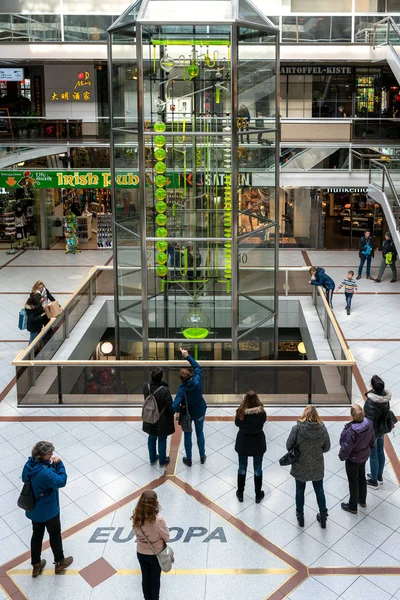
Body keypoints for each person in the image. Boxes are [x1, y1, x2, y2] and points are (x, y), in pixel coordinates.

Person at [21, 441, 73, 578]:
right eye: (50, 454)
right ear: (43, 455)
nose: (52, 455)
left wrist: (50, 466)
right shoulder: (45, 473)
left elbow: (25, 478)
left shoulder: (29, 465)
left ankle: (36, 565)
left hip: (34, 511)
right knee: (54, 535)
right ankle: (60, 562)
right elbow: (61, 480)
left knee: (37, 535)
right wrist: (59, 464)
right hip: (49, 511)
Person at [286, 406, 331, 528]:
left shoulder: (296, 429)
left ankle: (300, 516)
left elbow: (288, 445)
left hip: (300, 465)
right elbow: (327, 447)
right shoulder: (322, 430)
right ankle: (323, 517)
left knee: (300, 491)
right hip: (316, 465)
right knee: (319, 490)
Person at [132, 490, 170, 600]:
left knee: (145, 578)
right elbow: (166, 538)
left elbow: (136, 533)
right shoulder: (158, 520)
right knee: (155, 580)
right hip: (155, 554)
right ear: (155, 503)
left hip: (141, 552)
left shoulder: (136, 517)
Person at [172, 348, 207, 467]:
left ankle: (189, 459)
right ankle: (202, 456)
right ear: (190, 374)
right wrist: (187, 356)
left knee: (187, 435)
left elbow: (174, 405)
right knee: (200, 433)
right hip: (200, 410)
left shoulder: (182, 391)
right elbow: (197, 367)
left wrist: (180, 409)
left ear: (181, 379)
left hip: (187, 414)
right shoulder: (197, 380)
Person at [339, 405, 375, 514]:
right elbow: (372, 438)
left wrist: (342, 456)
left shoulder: (351, 431)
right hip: (364, 456)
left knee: (353, 481)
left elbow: (346, 447)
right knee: (361, 476)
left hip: (353, 459)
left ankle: (352, 506)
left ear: (352, 416)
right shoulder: (369, 424)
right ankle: (362, 500)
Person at [235, 390, 267, 503]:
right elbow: (263, 421)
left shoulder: (240, 412)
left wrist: (242, 406)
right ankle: (258, 495)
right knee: (258, 468)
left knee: (242, 467)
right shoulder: (262, 413)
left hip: (243, 443)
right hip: (258, 443)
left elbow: (237, 424)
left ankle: (240, 493)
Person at [142, 368, 175, 467]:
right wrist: (173, 413)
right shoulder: (164, 390)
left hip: (150, 415)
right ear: (161, 378)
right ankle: (162, 460)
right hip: (162, 419)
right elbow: (170, 405)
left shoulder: (145, 386)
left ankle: (152, 458)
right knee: (162, 438)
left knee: (151, 436)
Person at [364, 375, 393, 488]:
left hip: (373, 432)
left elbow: (368, 421)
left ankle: (373, 480)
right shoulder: (385, 398)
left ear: (372, 386)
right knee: (381, 452)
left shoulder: (371, 402)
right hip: (382, 429)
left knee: (373, 455)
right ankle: (379, 475)